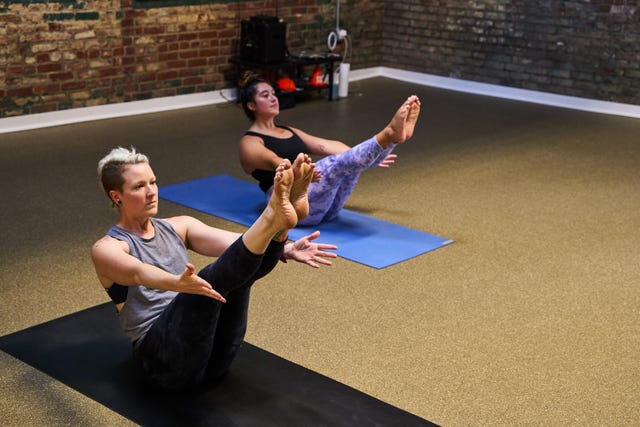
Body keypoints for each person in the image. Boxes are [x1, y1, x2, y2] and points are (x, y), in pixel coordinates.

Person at [91, 147, 337, 390]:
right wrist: (177, 283)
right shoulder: (107, 248)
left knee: (240, 276)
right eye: (138, 186)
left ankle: (278, 226)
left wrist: (284, 248)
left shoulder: (179, 225)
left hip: (211, 358)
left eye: (152, 182)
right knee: (210, 278)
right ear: (116, 197)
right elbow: (137, 273)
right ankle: (274, 218)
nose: (151, 192)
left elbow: (236, 246)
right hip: (163, 362)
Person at [238, 72, 421, 226]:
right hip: (288, 207)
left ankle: (394, 139)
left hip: (324, 209)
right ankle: (389, 134)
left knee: (349, 165)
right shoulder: (250, 143)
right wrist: (305, 172)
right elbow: (277, 163)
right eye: (265, 95)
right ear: (251, 105)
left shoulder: (288, 130)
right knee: (334, 164)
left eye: (273, 93)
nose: (273, 98)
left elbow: (324, 145)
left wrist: (369, 156)